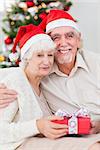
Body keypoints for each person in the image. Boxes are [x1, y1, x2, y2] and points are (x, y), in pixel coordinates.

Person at [0, 10, 100, 150]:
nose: (46, 61)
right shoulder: (28, 75)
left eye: (70, 36)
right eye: (56, 38)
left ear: (78, 40)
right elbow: (12, 75)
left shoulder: (96, 64)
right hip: (26, 142)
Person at [0, 24, 68, 150]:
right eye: (39, 55)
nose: (47, 62)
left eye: (50, 55)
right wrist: (37, 126)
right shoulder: (15, 82)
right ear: (27, 58)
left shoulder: (44, 83)